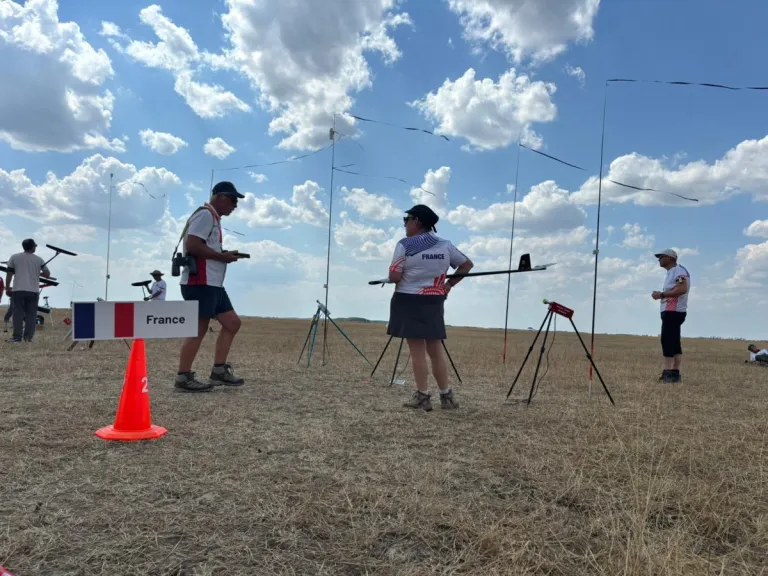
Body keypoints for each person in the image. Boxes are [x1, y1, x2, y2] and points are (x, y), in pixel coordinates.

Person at [387, 204, 474, 411]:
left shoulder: (405, 245)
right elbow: (466, 264)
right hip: (434, 301)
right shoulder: (445, 245)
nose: (405, 223)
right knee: (435, 351)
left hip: (408, 300)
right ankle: (447, 396)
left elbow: (394, 276)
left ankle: (423, 396)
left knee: (417, 352)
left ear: (417, 221)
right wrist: (449, 285)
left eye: (406, 219)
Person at [175, 181, 248, 392]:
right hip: (200, 283)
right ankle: (183, 377)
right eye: (234, 200)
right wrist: (221, 256)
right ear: (221, 197)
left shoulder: (213, 218)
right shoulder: (205, 215)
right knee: (198, 329)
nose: (235, 206)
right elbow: (192, 245)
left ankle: (219, 371)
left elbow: (202, 245)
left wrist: (223, 255)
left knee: (233, 323)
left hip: (213, 284)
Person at [651, 249, 690, 383]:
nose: (659, 260)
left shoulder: (679, 271)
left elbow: (682, 288)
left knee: (667, 341)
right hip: (671, 311)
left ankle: (668, 372)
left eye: (661, 257)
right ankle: (675, 372)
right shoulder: (672, 272)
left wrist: (661, 295)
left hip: (673, 311)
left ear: (669, 258)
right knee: (674, 342)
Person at [4, 239, 50, 343]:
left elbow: (9, 274)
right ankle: (28, 338)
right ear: (33, 247)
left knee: (17, 314)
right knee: (31, 315)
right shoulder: (39, 260)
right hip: (33, 291)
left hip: (18, 290)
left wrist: (7, 288)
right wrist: (37, 272)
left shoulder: (14, 257)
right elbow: (47, 274)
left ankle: (17, 337)